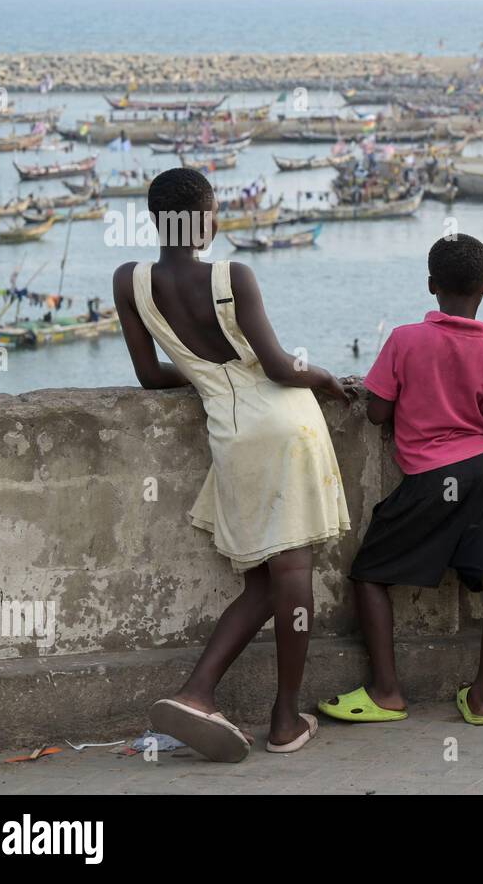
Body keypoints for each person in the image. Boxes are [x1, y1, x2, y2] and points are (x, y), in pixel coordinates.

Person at [111, 168, 350, 762]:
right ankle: (285, 718)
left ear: (154, 218)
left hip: (231, 432)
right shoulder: (232, 275)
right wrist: (321, 375)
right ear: (208, 217)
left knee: (264, 580)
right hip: (286, 424)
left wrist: (205, 378)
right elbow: (276, 366)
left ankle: (198, 692)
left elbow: (149, 376)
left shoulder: (130, 281)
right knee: (292, 573)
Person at [320, 234, 483, 726]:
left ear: (431, 285)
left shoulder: (405, 339)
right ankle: (482, 699)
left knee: (369, 574)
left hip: (432, 475)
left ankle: (387, 691)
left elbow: (376, 413)